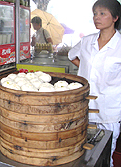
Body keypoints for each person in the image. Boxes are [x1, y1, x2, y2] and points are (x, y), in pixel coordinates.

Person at [68, 0, 121, 166]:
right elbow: (72, 55)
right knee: (82, 151)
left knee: (105, 153)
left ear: (115, 18)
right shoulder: (87, 41)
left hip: (109, 110)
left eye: (102, 13)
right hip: (84, 107)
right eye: (95, 14)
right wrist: (85, 67)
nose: (97, 17)